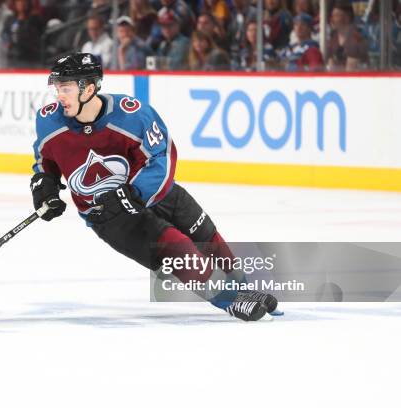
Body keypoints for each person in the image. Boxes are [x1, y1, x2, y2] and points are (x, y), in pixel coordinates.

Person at [30, 52, 280, 321]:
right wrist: (45, 186)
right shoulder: (49, 121)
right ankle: (230, 301)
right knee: (178, 247)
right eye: (57, 88)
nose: (59, 96)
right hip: (110, 216)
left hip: (157, 193)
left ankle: (242, 289)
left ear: (89, 89)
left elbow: (162, 157)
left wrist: (133, 193)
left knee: (206, 235)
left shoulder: (133, 115)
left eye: (65, 88)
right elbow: (45, 162)